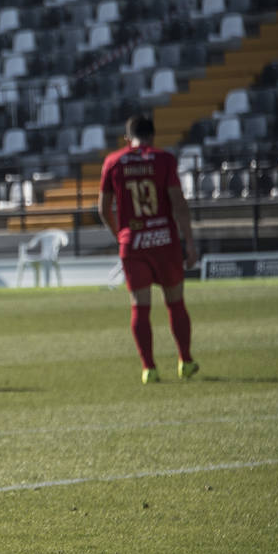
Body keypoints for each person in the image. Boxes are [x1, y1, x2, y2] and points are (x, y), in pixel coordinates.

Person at [98, 114, 201, 384]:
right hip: (164, 241)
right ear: (153, 136)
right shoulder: (164, 159)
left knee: (139, 307)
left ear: (126, 138)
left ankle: (149, 368)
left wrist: (120, 235)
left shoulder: (113, 161)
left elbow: (102, 208)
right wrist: (189, 242)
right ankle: (186, 362)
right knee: (175, 302)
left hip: (133, 243)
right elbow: (178, 203)